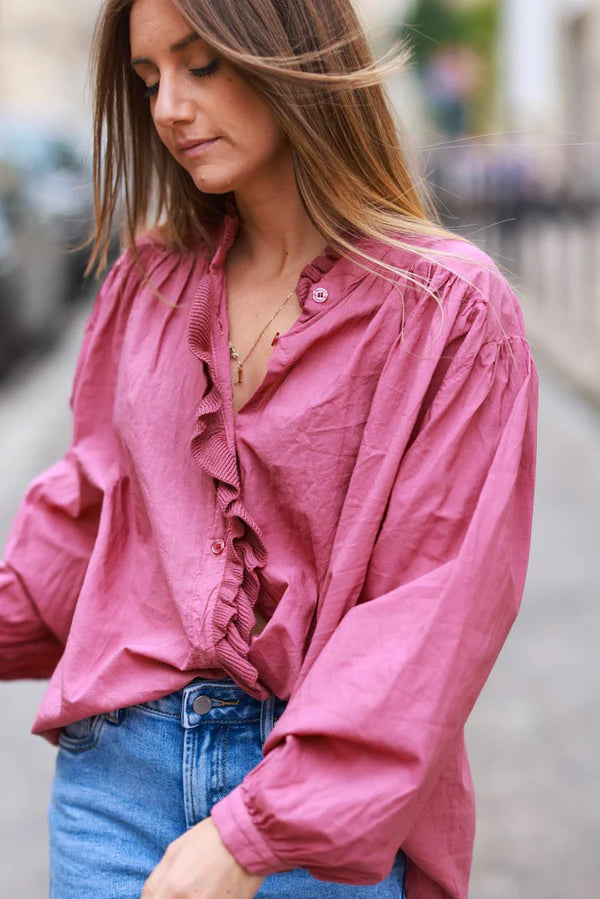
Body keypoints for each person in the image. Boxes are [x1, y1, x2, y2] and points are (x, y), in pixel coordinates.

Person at [0, 0, 538, 897]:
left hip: (319, 817)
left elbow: (432, 611)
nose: (168, 107)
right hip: (115, 786)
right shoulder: (151, 282)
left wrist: (254, 836)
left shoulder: (448, 310)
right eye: (148, 81)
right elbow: (92, 512)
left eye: (199, 64)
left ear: (292, 53)